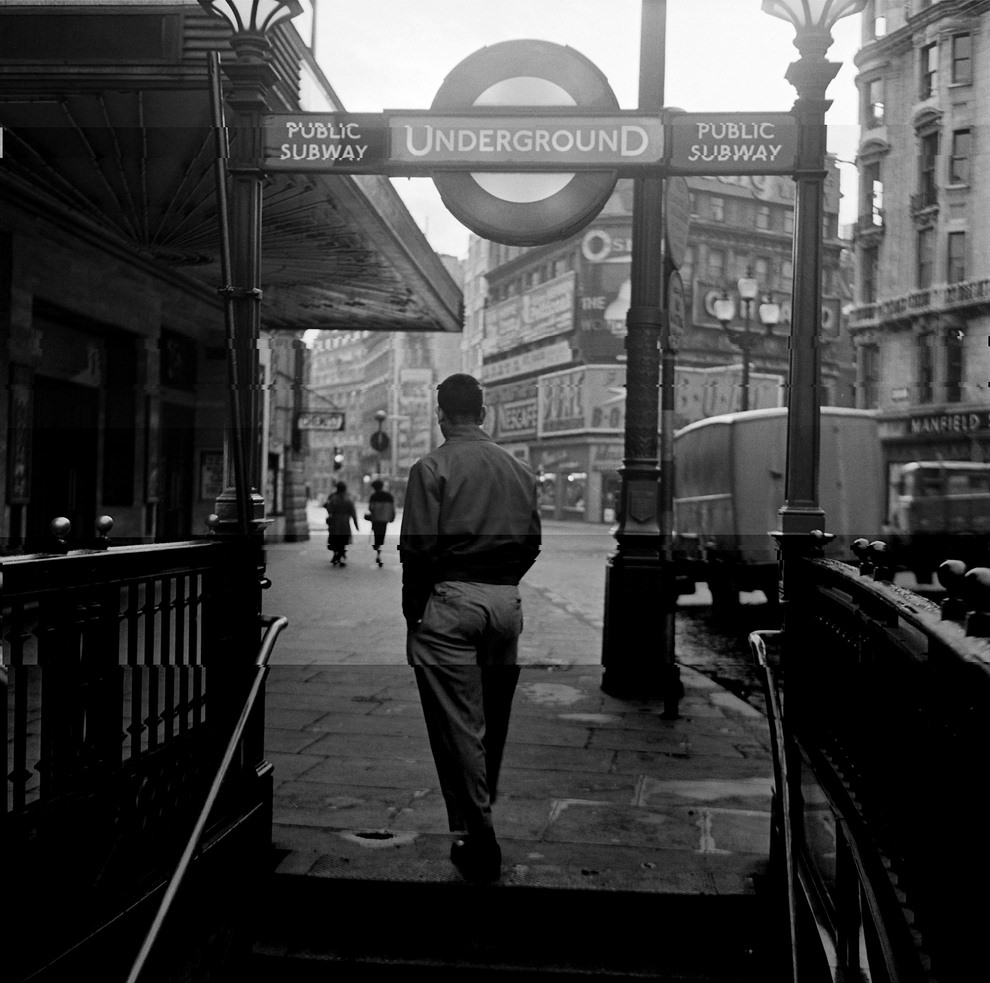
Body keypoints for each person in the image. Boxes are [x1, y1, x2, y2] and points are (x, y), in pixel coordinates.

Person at [399, 373, 541, 882]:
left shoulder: (431, 467)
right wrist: (502, 582)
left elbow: (416, 548)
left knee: (458, 724)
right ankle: (480, 815)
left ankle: (478, 834)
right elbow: (531, 543)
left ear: (441, 414)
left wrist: (414, 613)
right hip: (505, 602)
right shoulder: (520, 469)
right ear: (484, 414)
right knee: (492, 719)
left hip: (451, 601)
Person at [324, 481, 359, 567]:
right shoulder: (348, 499)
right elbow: (353, 512)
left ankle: (336, 554)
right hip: (344, 522)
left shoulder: (333, 498)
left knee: (334, 538)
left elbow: (329, 508)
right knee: (343, 540)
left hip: (335, 521)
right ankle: (340, 555)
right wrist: (356, 524)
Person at [366, 479, 396, 568]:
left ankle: (377, 549)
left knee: (377, 535)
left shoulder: (374, 496)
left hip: (376, 519)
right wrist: (392, 517)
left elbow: (371, 508)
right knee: (381, 536)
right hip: (384, 520)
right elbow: (392, 508)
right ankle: (378, 551)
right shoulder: (389, 496)